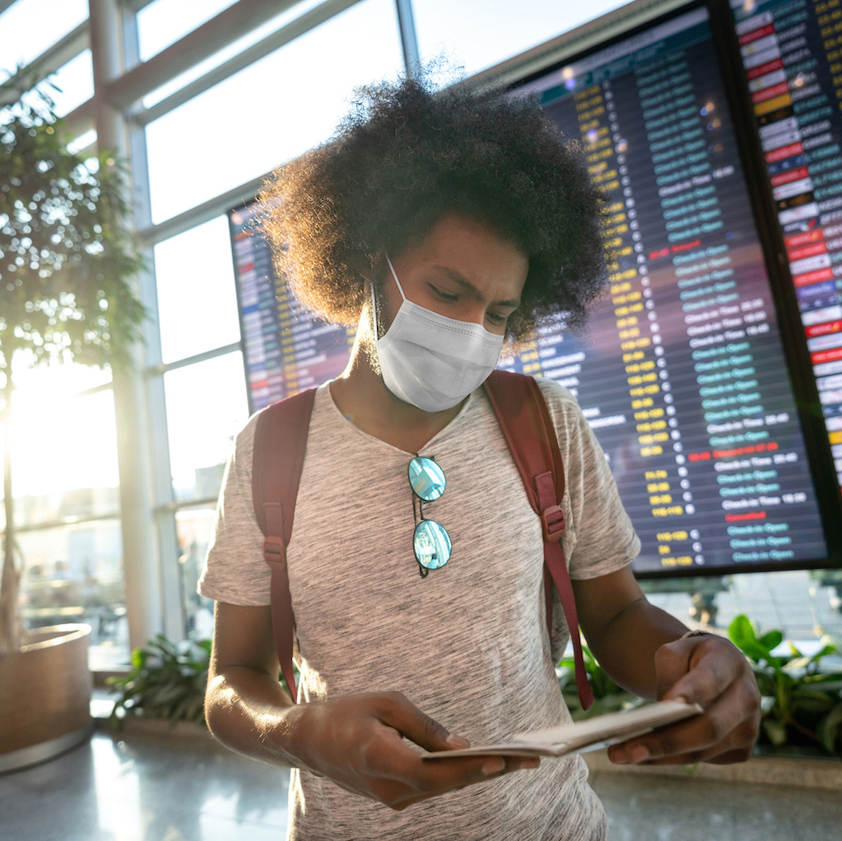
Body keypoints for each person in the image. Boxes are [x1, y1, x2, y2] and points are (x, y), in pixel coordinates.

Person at [198, 77, 760, 840]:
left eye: (498, 312)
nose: (472, 330)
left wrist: (691, 660)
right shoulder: (270, 451)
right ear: (368, 259)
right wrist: (298, 732)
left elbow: (616, 613)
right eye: (447, 291)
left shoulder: (543, 422)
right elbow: (233, 678)